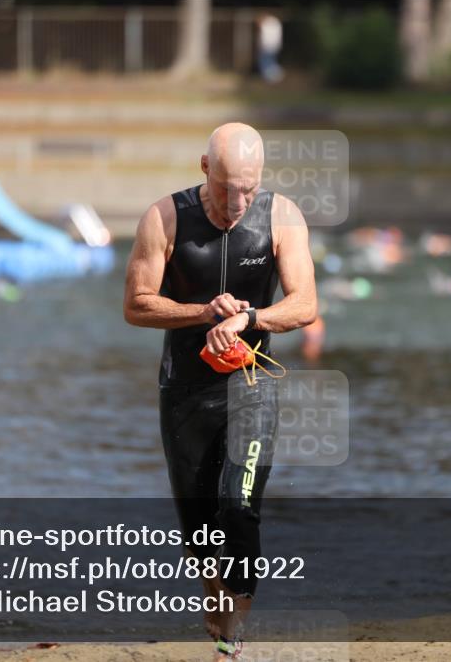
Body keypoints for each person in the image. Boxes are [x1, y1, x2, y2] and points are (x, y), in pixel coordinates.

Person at [123, 123, 317, 660]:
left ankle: (235, 632)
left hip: (251, 385)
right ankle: (216, 599)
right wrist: (202, 312)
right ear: (205, 168)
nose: (238, 201)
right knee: (198, 526)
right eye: (228, 186)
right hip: (184, 389)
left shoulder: (281, 216)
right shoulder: (165, 218)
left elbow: (305, 304)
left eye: (249, 188)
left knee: (240, 502)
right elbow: (136, 304)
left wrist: (250, 317)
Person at [256, 14, 284, 83]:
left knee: (266, 62)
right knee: (270, 61)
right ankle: (274, 77)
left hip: (267, 47)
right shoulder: (274, 22)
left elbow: (264, 38)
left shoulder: (266, 25)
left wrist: (260, 46)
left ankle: (272, 78)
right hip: (275, 46)